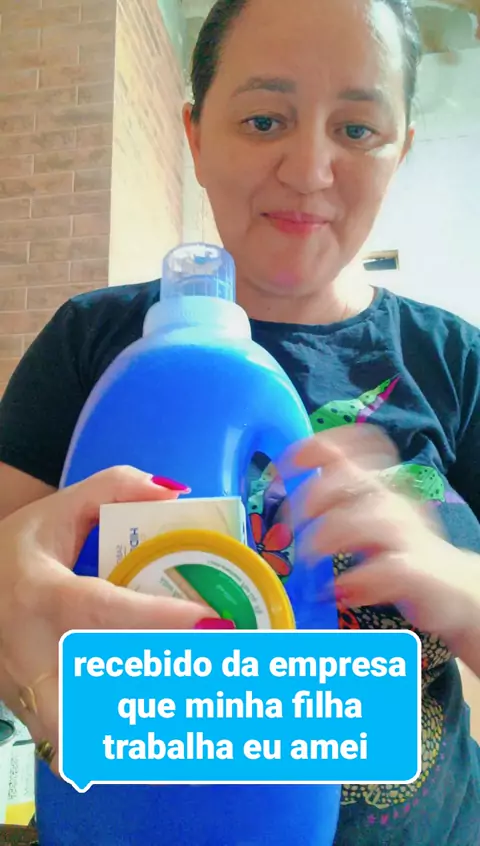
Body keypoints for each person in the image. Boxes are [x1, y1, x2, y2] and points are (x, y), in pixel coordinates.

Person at [0, 0, 478, 841]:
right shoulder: (92, 343)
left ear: (400, 149)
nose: (310, 170)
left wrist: (456, 584)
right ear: (194, 136)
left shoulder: (457, 362)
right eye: (264, 120)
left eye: (357, 130)